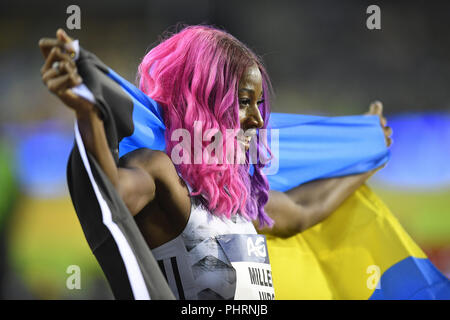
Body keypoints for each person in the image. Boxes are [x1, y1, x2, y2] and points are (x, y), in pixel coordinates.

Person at [39, 26, 392, 300]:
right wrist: (89, 115)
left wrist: (371, 154)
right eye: (243, 102)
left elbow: (302, 209)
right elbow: (110, 193)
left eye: (258, 104)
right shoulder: (161, 173)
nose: (257, 119)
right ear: (203, 103)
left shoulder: (236, 199)